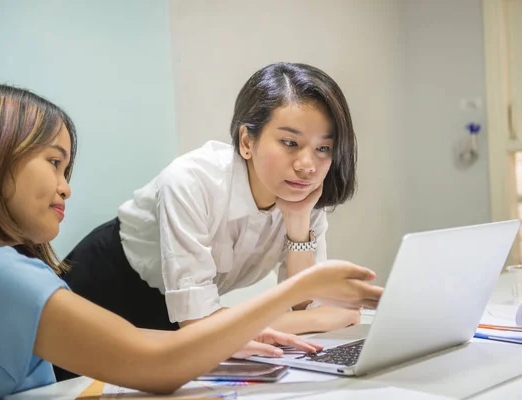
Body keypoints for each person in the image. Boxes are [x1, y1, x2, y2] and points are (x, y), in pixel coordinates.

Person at [0, 80, 382, 399]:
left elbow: (166, 345)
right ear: (246, 141)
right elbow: (157, 361)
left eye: (323, 149)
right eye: (54, 162)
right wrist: (302, 289)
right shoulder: (3, 275)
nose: (66, 188)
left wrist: (229, 332)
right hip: (117, 278)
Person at [59, 62, 360, 373]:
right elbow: (200, 324)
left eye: (324, 147)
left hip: (178, 318)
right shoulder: (191, 181)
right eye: (290, 143)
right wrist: (313, 318)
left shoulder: (305, 200)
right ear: (246, 141)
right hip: (104, 289)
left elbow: (300, 303)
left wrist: (298, 224)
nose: (308, 165)